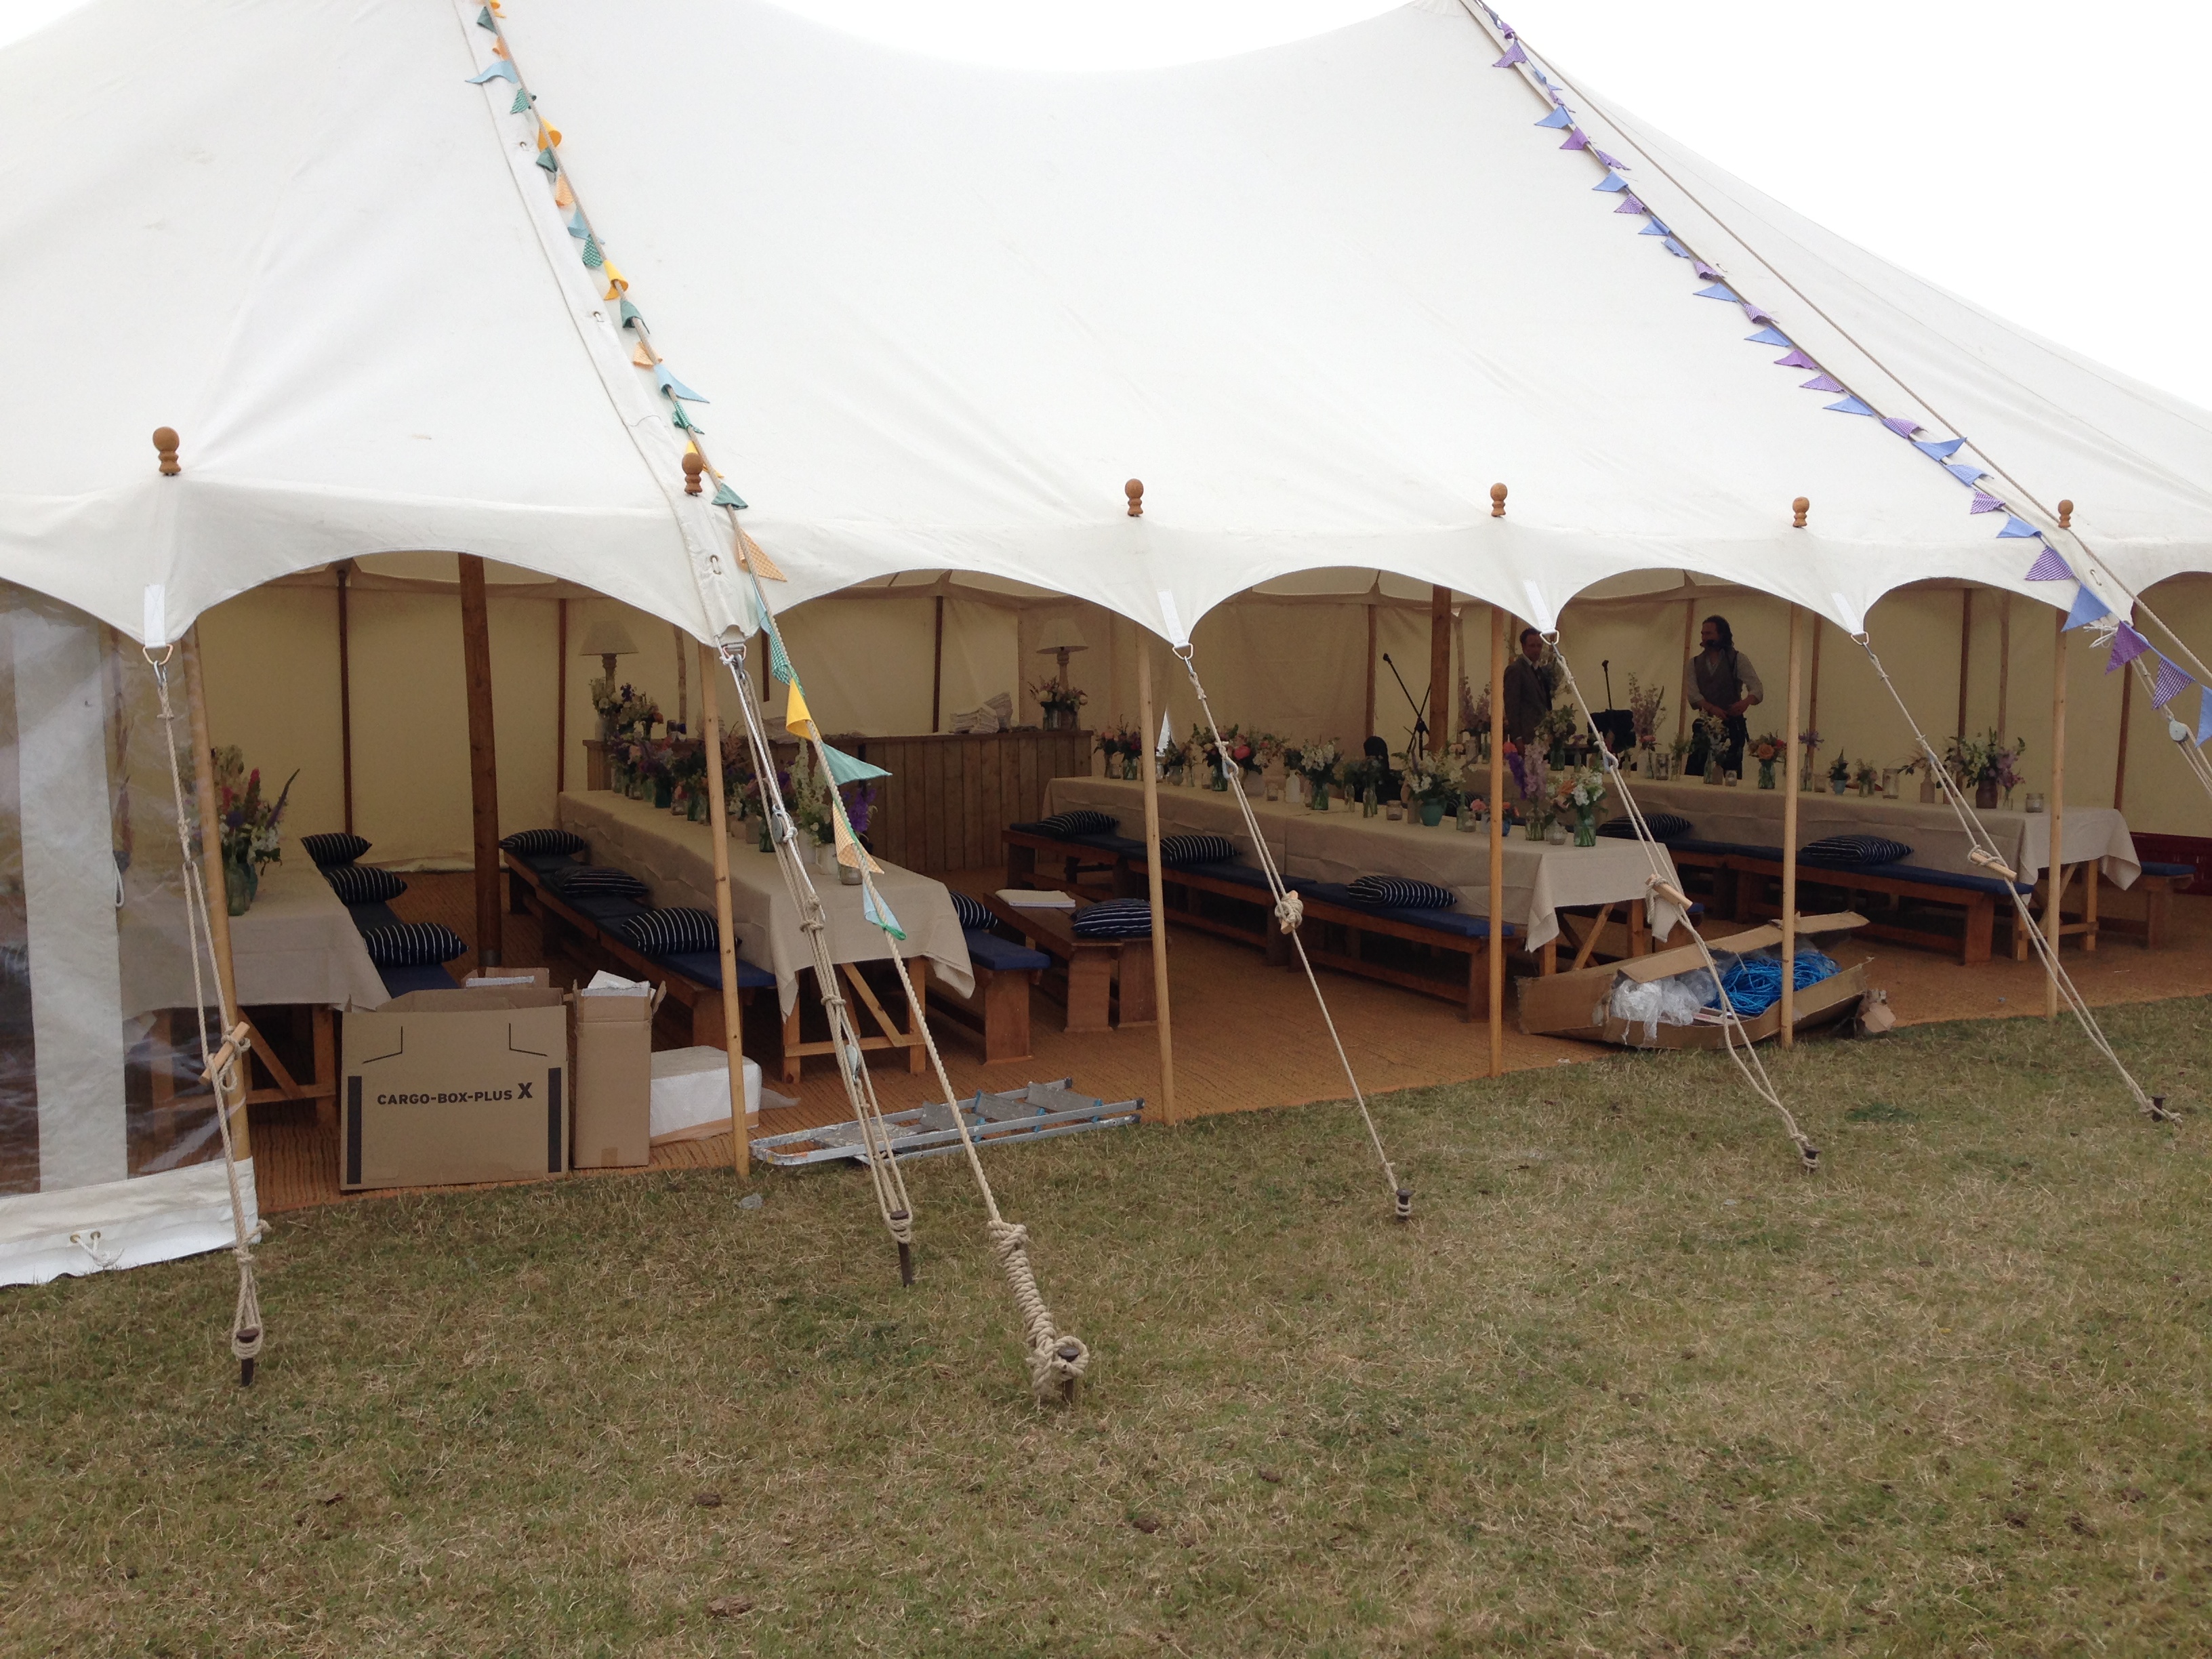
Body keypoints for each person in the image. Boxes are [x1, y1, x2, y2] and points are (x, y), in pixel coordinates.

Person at [1684, 614, 1763, 777]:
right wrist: (1711, 708)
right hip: (1704, 726)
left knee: (1730, 773)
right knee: (1696, 772)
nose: (1704, 638)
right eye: (1703, 634)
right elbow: (1693, 694)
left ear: (1722, 635)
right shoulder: (1694, 663)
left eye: (1709, 634)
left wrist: (1746, 702)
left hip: (1732, 725)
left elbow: (1757, 688)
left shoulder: (1737, 659)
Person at [1501, 628, 1555, 749]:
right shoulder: (1516, 670)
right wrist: (1517, 738)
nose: (1536, 650)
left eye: (1539, 646)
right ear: (1523, 647)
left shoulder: (1539, 670)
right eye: (1532, 646)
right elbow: (1512, 707)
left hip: (1540, 737)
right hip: (1525, 738)